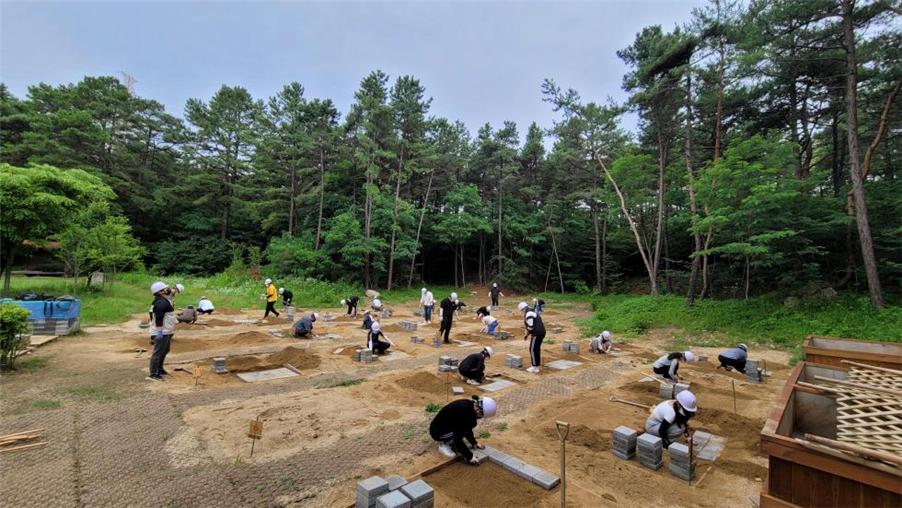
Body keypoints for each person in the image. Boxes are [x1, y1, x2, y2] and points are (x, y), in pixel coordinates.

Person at [429, 396, 497, 464]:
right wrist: (469, 457)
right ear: (480, 411)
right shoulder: (464, 412)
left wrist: (474, 443)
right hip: (438, 432)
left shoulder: (469, 406)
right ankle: (444, 444)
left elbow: (467, 428)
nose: (480, 417)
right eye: (481, 416)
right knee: (458, 435)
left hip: (448, 426)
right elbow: (457, 437)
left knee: (462, 431)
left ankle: (450, 442)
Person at [147, 282, 175, 381]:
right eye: (165, 288)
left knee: (165, 350)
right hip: (161, 331)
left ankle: (159, 369)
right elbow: (159, 317)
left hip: (166, 331)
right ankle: (153, 374)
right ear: (160, 292)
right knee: (158, 352)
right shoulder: (161, 302)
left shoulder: (163, 300)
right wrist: (159, 332)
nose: (168, 289)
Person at [518, 301, 546, 373]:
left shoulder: (528, 314)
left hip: (537, 333)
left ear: (522, 309)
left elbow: (531, 326)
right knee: (536, 349)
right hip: (542, 332)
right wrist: (527, 333)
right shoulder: (532, 311)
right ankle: (537, 366)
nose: (522, 312)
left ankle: (534, 367)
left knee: (532, 349)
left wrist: (527, 334)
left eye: (521, 311)